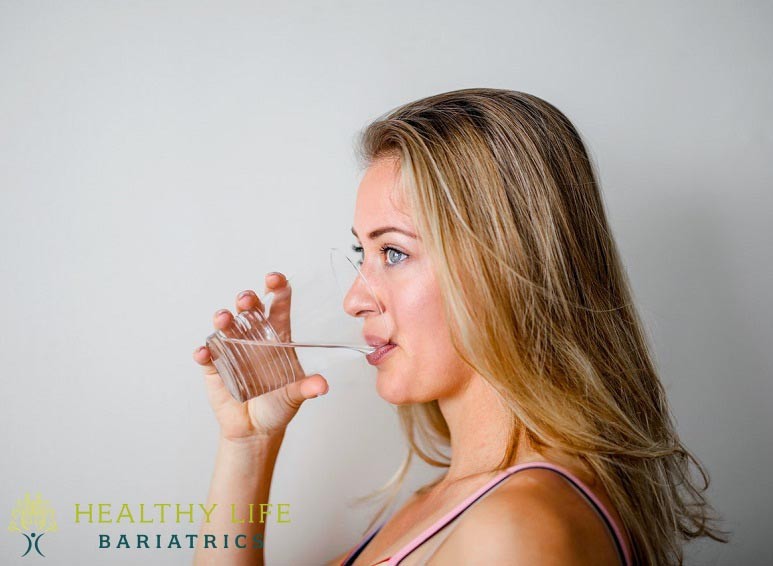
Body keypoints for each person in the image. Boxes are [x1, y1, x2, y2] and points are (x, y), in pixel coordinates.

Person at [192, 88, 729, 565]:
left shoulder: (515, 532)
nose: (355, 298)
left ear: (504, 266)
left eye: (394, 252)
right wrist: (251, 444)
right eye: (363, 252)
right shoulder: (449, 502)